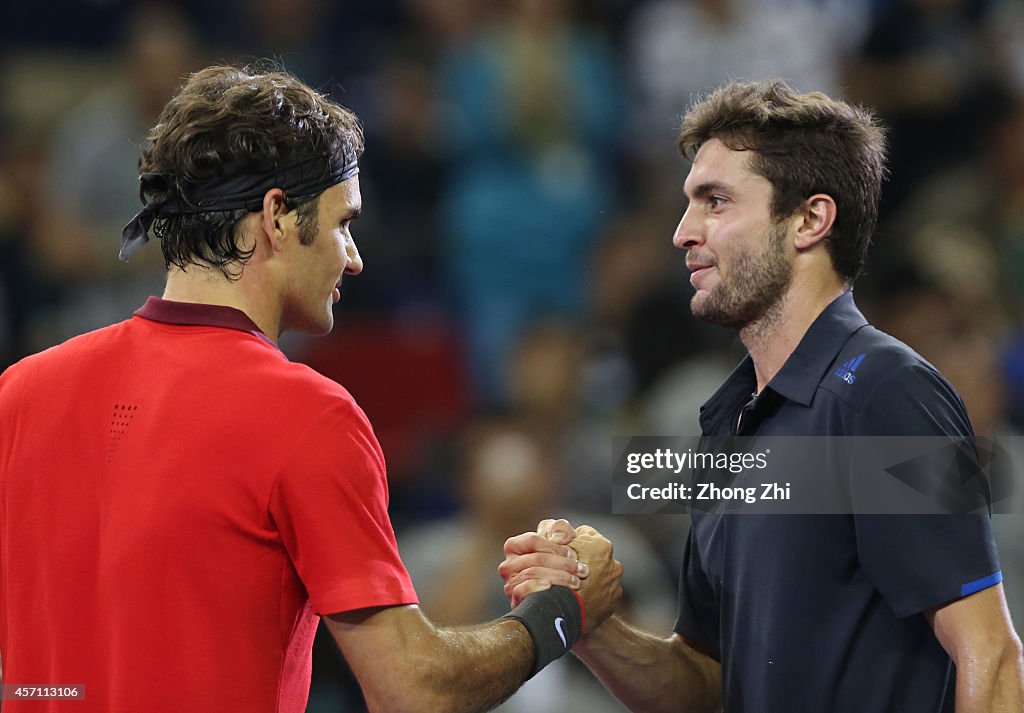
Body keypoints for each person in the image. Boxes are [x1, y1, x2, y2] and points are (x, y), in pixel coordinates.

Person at [0, 63, 623, 713]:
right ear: (276, 215)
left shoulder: (18, 392)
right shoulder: (309, 414)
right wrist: (561, 611)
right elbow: (415, 688)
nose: (352, 256)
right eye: (342, 222)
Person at [499, 80, 1024, 712]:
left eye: (715, 202)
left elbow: (992, 655)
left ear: (810, 220)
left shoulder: (895, 392)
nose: (683, 232)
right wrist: (592, 624)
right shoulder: (726, 421)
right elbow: (704, 682)